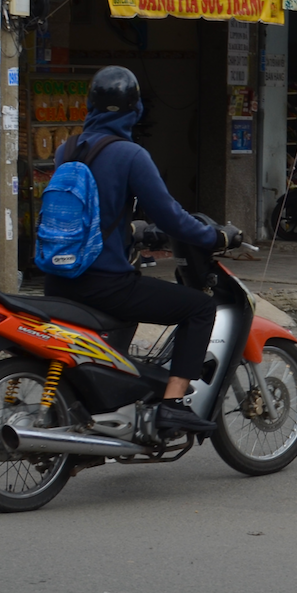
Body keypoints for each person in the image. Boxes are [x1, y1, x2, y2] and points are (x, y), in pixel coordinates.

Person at [43, 67, 233, 435]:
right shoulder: (131, 155)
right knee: (199, 308)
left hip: (59, 280)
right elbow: (172, 218)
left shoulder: (65, 149)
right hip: (105, 284)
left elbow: (93, 213)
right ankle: (172, 405)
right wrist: (215, 238)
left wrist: (132, 231)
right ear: (136, 109)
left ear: (90, 104)